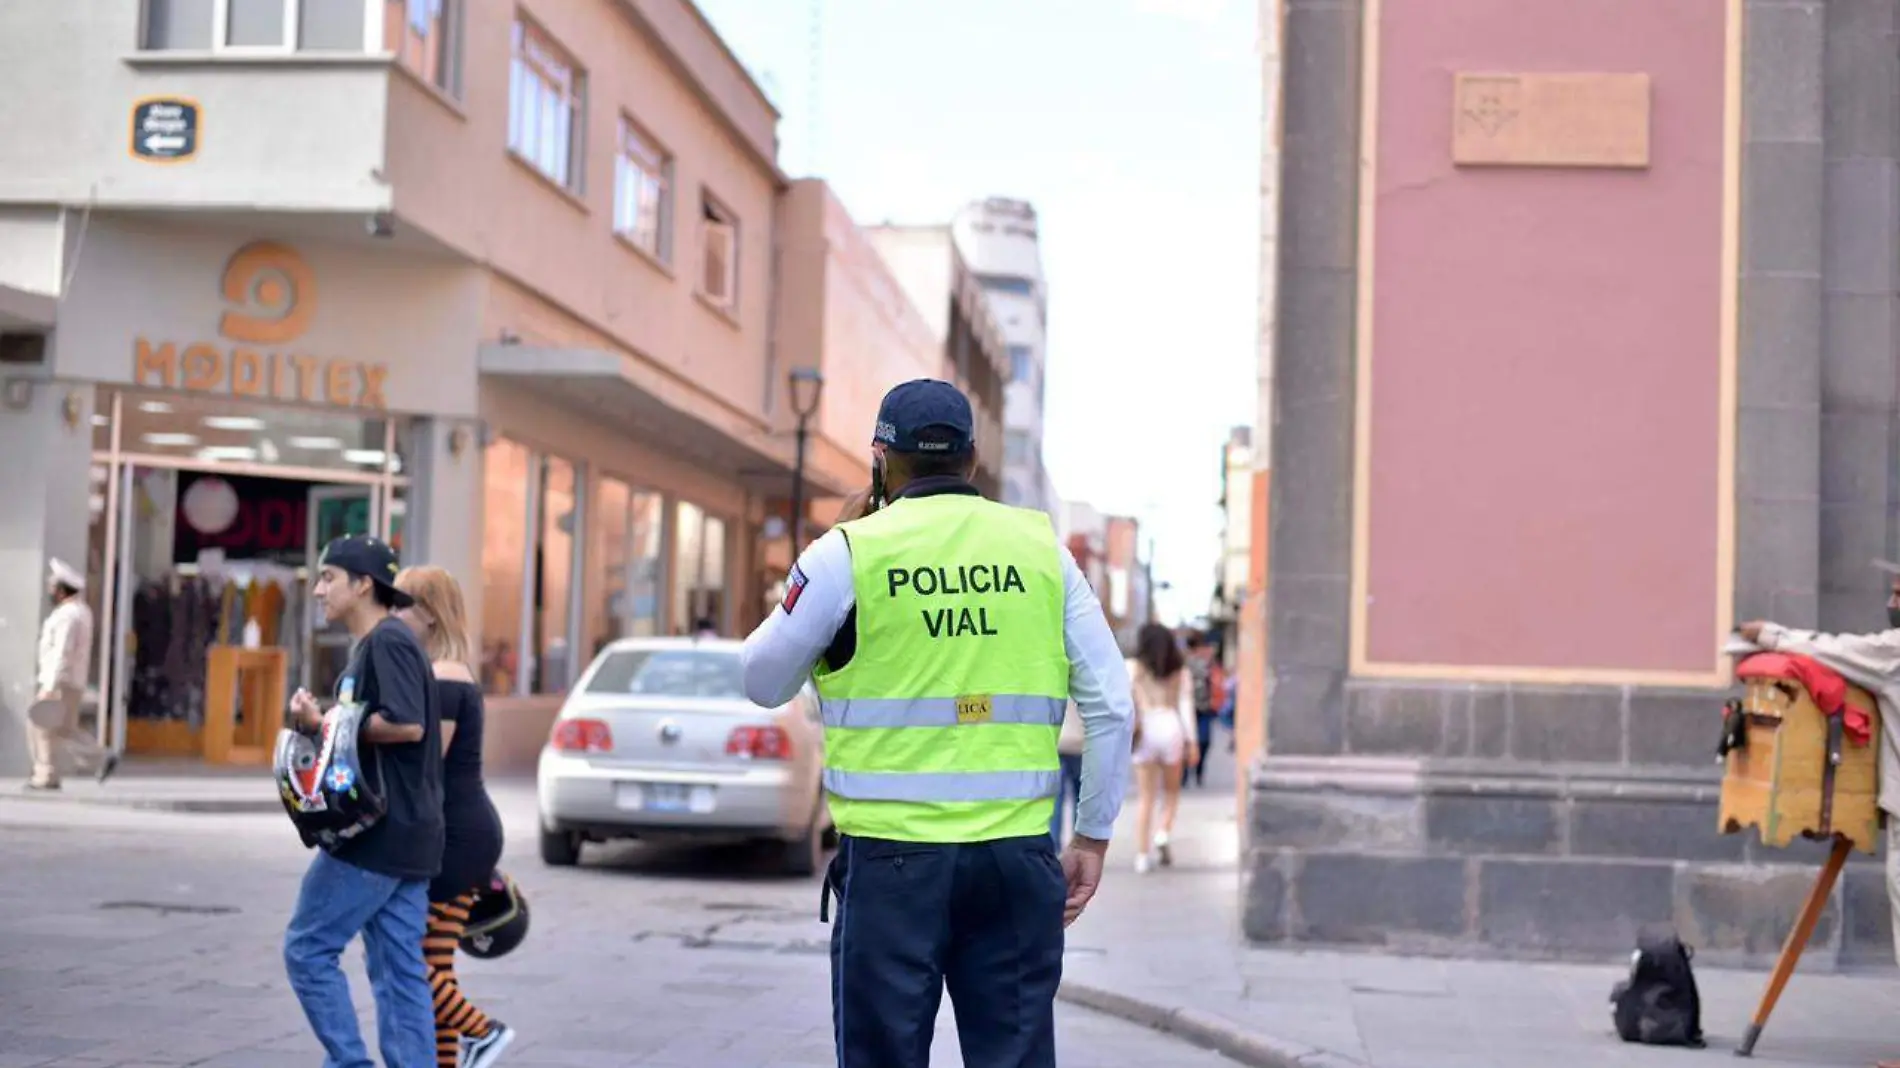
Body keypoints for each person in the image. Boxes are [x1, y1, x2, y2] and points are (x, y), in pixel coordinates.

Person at [740, 378, 1135, 1068]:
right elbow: (1112, 705)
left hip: (893, 865)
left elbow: (760, 679)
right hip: (1015, 858)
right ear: (973, 459)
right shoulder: (1041, 550)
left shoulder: (849, 554)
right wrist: (1093, 837)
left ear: (879, 459)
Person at [283, 535, 443, 1068]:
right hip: (407, 835)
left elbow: (406, 723)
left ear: (364, 584)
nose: (320, 589)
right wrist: (322, 720)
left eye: (329, 577)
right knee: (398, 974)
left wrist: (330, 721)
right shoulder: (378, 646)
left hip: (376, 837)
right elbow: (368, 723)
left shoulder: (388, 642)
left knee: (307, 948)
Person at [1737, 558, 1900, 1068]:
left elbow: (1828, 650)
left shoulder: (1892, 653)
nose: (1892, 604)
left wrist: (1769, 633)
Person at [394, 566, 514, 1068]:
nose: (395, 615)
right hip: (467, 833)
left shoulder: (442, 680)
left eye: (401, 604)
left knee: (409, 961)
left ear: (429, 613)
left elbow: (429, 767)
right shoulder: (450, 673)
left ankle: (483, 1033)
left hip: (455, 837)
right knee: (437, 963)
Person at [27, 558, 116, 790]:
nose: (50, 590)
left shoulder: (68, 615)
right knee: (64, 729)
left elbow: (62, 651)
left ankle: (46, 775)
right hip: (71, 681)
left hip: (60, 681)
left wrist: (50, 685)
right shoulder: (81, 611)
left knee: (41, 726)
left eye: (53, 586)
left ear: (62, 589)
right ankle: (100, 758)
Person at [1128, 623, 1197, 873]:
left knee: (1146, 797)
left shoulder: (1133, 668)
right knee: (1171, 793)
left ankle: (1142, 855)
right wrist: (1192, 742)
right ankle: (1163, 832)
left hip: (1145, 727)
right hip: (1171, 726)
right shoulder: (1179, 671)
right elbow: (1186, 707)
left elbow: (1126, 702)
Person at [1180, 630, 1224, 787]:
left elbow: (1216, 681)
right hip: (1189, 707)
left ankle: (1196, 771)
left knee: (1204, 741)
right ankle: (1185, 773)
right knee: (1190, 741)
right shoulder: (1183, 662)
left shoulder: (1207, 662)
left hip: (1204, 707)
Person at [1050, 699, 1085, 845]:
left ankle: (1054, 846)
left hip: (1057, 741)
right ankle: (1077, 845)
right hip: (1080, 742)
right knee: (1080, 798)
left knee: (1057, 798)